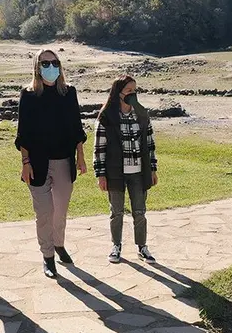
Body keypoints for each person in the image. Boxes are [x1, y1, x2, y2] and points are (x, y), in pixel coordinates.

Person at [15, 50, 87, 278]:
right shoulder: (28, 95)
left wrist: (80, 156)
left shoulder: (68, 93)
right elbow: (23, 133)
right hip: (37, 162)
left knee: (60, 210)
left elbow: (77, 127)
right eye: (45, 63)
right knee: (44, 212)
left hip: (63, 160)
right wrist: (25, 162)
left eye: (55, 62)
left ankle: (58, 243)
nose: (50, 66)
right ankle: (47, 256)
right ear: (37, 66)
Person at [93, 75, 158, 264]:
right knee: (117, 212)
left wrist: (152, 169)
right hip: (115, 173)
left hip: (138, 172)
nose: (133, 94)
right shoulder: (106, 116)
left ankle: (142, 247)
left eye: (135, 90)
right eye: (129, 91)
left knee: (140, 211)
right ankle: (116, 246)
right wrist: (100, 174)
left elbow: (150, 143)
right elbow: (99, 148)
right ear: (118, 93)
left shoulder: (142, 114)